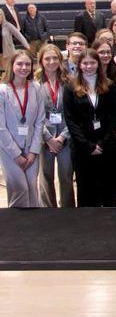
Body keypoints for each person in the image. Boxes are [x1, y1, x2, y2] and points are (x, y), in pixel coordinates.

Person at [63, 48, 116, 207]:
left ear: (98, 64)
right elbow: (70, 120)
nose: (89, 66)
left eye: (92, 63)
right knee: (86, 189)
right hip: (82, 147)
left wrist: (103, 143)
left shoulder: (109, 86)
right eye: (85, 63)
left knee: (108, 189)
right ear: (79, 65)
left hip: (106, 145)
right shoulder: (70, 88)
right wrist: (87, 145)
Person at [0, 49, 45, 207]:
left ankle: (33, 229)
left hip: (31, 149)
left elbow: (40, 121)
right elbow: (1, 128)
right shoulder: (2, 90)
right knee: (19, 190)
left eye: (27, 64)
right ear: (11, 65)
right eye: (20, 64)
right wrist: (16, 154)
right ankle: (16, 229)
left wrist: (33, 151)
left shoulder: (36, 87)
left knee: (32, 190)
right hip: (9, 151)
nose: (24, 67)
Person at [35, 44, 74, 207]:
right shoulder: (35, 83)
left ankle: (68, 209)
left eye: (55, 58)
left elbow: (73, 113)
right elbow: (34, 115)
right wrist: (49, 138)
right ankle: (47, 210)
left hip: (65, 136)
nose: (51, 62)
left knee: (66, 175)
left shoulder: (69, 82)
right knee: (46, 176)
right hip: (44, 138)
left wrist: (62, 137)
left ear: (60, 59)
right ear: (41, 61)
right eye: (47, 59)